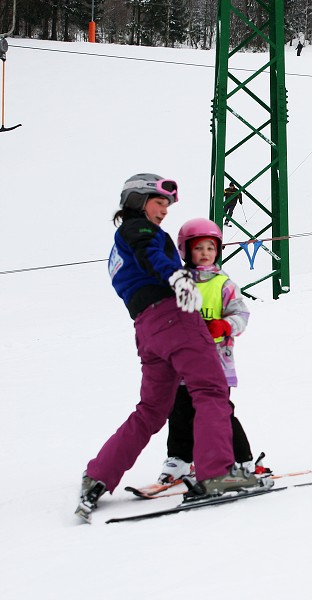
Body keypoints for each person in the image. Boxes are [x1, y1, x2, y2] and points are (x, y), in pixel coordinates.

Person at [77, 174, 264, 521]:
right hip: (175, 320)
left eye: (167, 205)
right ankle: (216, 474)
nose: (164, 211)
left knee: (151, 409)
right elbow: (151, 253)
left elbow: (140, 269)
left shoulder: (117, 249)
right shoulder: (140, 230)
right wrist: (177, 276)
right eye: (159, 202)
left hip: (147, 330)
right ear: (137, 200)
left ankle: (98, 475)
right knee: (211, 390)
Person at [157, 218, 260, 485]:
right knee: (179, 411)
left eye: (211, 248)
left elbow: (241, 315)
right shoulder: (176, 284)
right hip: (182, 363)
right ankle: (179, 460)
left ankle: (241, 459)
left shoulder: (224, 284)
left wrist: (225, 325)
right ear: (185, 250)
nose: (205, 253)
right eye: (199, 248)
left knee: (219, 412)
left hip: (216, 363)